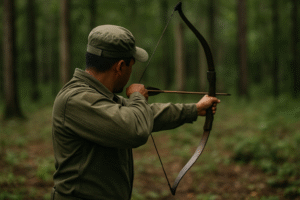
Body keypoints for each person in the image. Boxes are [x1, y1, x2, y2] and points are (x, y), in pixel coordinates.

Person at [51, 25, 220, 200]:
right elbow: (134, 128)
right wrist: (138, 97)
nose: (131, 72)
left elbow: (147, 114)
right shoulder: (76, 99)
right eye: (131, 65)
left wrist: (195, 109)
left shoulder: (99, 96)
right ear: (120, 66)